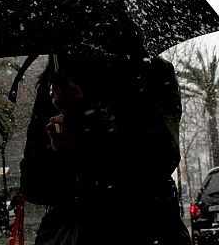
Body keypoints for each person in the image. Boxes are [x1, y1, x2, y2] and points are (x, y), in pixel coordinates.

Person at [20, 50, 191, 244]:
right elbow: (33, 186)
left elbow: (161, 159)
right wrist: (59, 152)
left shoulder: (151, 71)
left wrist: (88, 124)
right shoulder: (56, 83)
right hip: (75, 232)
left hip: (145, 228)